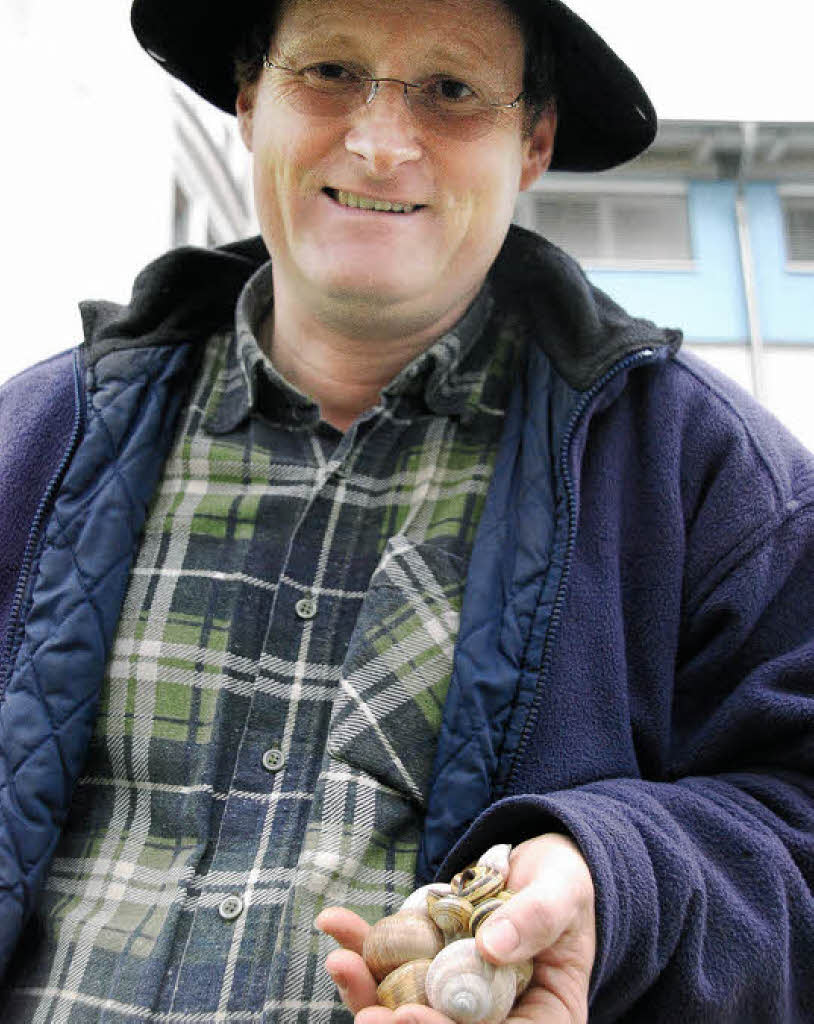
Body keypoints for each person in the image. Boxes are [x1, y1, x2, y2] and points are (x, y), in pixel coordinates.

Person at [0, 0, 811, 1020]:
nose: (381, 144)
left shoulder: (710, 481)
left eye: (453, 90)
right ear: (252, 100)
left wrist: (616, 880)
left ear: (534, 142)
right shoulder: (31, 441)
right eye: (331, 70)